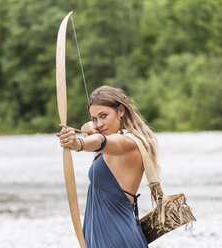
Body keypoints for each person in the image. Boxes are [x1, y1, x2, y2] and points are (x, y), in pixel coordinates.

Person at [56, 85, 159, 247]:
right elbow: (87, 128)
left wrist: (78, 143)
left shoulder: (127, 142)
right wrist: (90, 129)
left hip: (116, 237)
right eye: (95, 118)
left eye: (104, 115)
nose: (99, 124)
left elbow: (99, 141)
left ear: (121, 111)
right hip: (109, 236)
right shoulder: (112, 140)